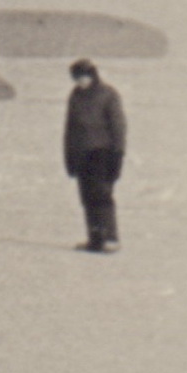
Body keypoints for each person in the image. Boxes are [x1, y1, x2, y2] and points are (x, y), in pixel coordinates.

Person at [63, 58, 127, 253]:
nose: (80, 81)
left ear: (93, 75)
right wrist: (69, 156)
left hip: (102, 152)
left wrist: (118, 155)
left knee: (101, 196)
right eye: (76, 78)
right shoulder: (75, 96)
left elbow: (118, 127)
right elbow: (70, 128)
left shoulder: (108, 94)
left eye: (84, 77)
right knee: (87, 197)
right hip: (82, 153)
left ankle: (110, 238)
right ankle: (95, 239)